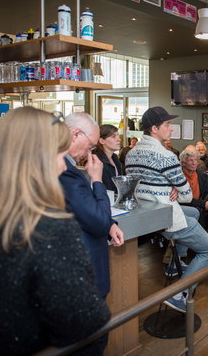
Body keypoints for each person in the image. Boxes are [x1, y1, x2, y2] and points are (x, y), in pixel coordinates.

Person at [0, 107, 110, 355]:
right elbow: (82, 321)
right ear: (36, 157)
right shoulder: (49, 227)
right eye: (58, 154)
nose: (62, 166)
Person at [125, 106, 208, 313]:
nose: (171, 128)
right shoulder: (166, 156)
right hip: (166, 216)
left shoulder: (131, 153)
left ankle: (175, 264)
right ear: (155, 128)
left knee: (194, 213)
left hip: (146, 212)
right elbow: (187, 195)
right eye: (167, 124)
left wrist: (170, 188)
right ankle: (180, 294)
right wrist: (174, 189)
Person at [60, 113, 125, 301]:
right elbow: (98, 221)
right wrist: (97, 180)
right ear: (76, 134)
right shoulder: (65, 171)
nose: (90, 152)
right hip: (83, 271)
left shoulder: (68, 167)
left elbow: (83, 208)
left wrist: (111, 224)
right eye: (90, 145)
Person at [180, 147, 208, 231]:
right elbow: (184, 199)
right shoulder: (178, 176)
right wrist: (204, 204)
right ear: (183, 163)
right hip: (185, 206)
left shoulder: (201, 173)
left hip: (200, 204)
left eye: (196, 160)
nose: (194, 163)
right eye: (191, 160)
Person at [93, 124, 122, 192]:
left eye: (118, 136)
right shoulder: (97, 161)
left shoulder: (115, 158)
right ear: (102, 141)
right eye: (113, 137)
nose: (119, 140)